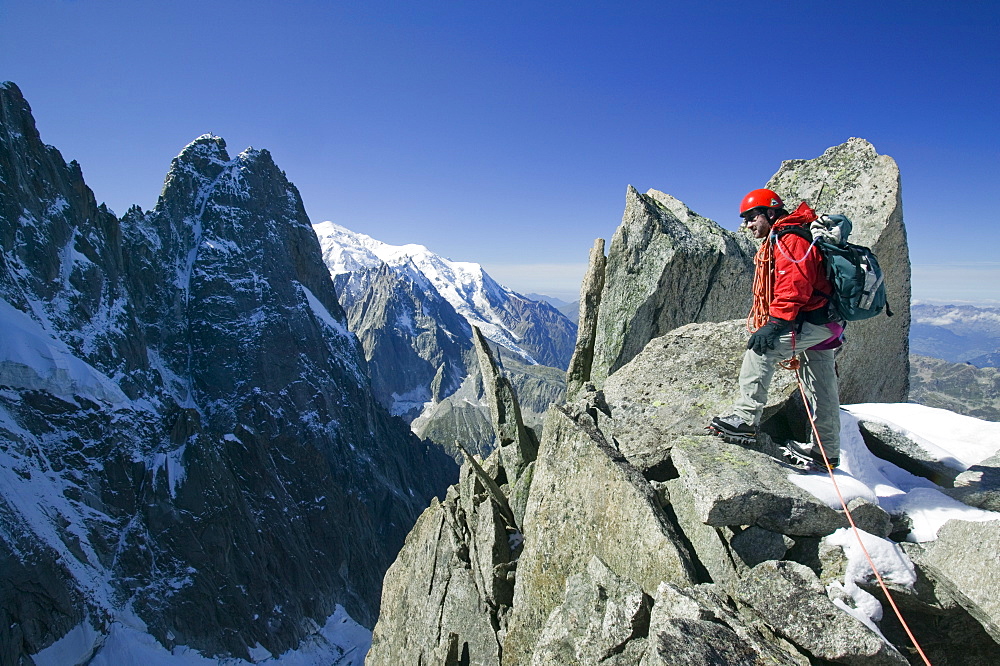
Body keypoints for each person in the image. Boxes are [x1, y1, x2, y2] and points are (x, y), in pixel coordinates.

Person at [709, 188, 844, 469]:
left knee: (761, 351)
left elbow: (794, 285)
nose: (747, 225)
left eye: (751, 217)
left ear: (770, 213)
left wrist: (775, 324)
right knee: (822, 389)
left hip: (813, 321)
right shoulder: (792, 236)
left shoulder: (790, 239)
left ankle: (745, 420)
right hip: (825, 322)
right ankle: (826, 452)